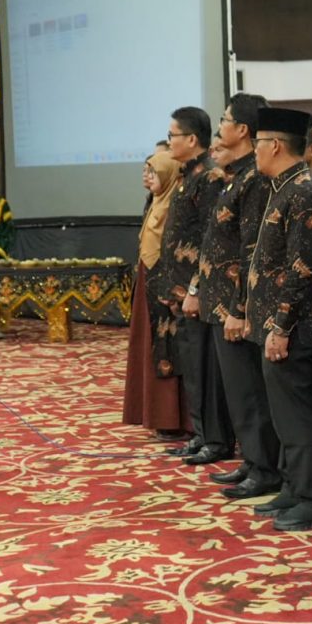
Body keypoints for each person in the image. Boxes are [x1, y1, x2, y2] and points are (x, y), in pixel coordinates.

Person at [245, 107, 312, 531]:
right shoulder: (282, 188)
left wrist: (281, 326)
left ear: (275, 145)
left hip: (295, 328)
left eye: (258, 144)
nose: (254, 152)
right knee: (285, 414)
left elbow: (301, 268)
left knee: (301, 414)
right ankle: (294, 487)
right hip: (276, 325)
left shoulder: (301, 191)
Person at [199, 93, 283, 499]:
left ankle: (265, 468)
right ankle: (253, 460)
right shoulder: (237, 174)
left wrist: (238, 308)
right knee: (239, 390)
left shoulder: (254, 179)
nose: (220, 127)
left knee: (250, 391)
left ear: (243, 130)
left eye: (225, 119)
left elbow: (250, 250)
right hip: (220, 302)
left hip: (237, 305)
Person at [163, 106, 235, 466]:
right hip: (182, 292)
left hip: (201, 291)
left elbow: (212, 239)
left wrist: (193, 288)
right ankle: (201, 435)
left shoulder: (209, 178)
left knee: (207, 368)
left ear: (192, 139)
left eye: (172, 135)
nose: (168, 141)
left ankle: (217, 440)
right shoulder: (188, 175)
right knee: (192, 364)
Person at [122, 151, 189, 437]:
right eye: (146, 170)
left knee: (169, 349)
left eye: (153, 171)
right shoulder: (156, 202)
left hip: (166, 284)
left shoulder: (176, 204)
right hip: (150, 282)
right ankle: (157, 416)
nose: (147, 176)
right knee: (152, 347)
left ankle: (175, 419)